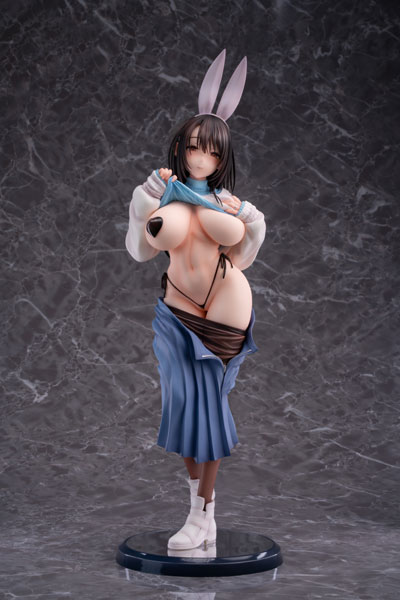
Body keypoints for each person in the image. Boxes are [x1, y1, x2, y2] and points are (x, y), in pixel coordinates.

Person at [125, 50, 266, 551]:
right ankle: (200, 512)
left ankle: (202, 513)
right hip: (176, 311)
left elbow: (244, 254)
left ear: (222, 158)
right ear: (182, 148)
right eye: (192, 148)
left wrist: (249, 218)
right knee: (183, 407)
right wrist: (143, 201)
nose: (200, 158)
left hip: (224, 306)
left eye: (210, 152)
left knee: (210, 406)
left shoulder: (226, 202)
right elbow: (140, 249)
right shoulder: (163, 190)